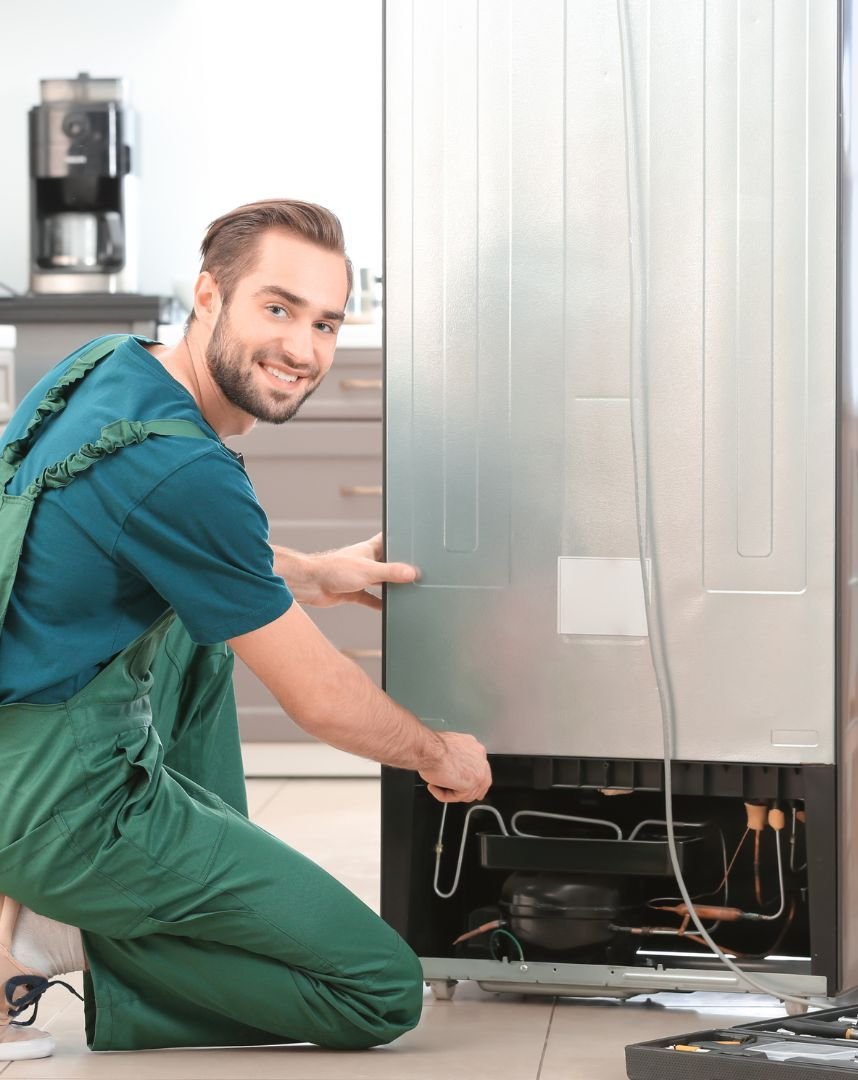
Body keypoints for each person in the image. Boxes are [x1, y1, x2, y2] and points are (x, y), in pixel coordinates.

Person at [0, 199, 491, 1060]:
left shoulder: (107, 363)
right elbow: (323, 700)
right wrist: (439, 754)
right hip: (56, 805)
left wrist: (313, 572)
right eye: (278, 307)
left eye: (326, 322)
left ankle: (134, 893)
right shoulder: (188, 469)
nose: (304, 349)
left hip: (17, 748)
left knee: (204, 627)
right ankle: (85, 930)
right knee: (379, 991)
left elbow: (152, 538)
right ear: (207, 295)